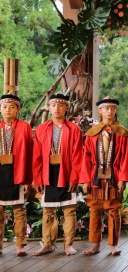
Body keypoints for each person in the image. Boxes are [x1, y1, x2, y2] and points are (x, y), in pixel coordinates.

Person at [80, 96, 128, 256]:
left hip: (114, 176)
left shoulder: (121, 133)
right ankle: (95, 245)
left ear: (116, 110)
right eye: (106, 108)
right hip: (95, 176)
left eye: (112, 108)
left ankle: (113, 245)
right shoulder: (92, 134)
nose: (109, 111)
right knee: (95, 210)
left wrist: (123, 179)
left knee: (113, 211)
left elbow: (125, 158)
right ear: (100, 110)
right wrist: (85, 180)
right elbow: (86, 158)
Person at [32, 93, 83, 256]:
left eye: (60, 105)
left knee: (69, 210)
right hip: (49, 172)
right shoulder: (41, 130)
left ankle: (68, 244)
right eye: (53, 105)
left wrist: (75, 177)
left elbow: (77, 156)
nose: (56, 109)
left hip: (66, 172)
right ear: (49, 107)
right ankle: (47, 243)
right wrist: (38, 178)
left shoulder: (74, 129)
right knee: (48, 211)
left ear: (67, 108)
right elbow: (37, 157)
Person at [0, 94, 33, 257]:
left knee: (19, 210)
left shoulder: (25, 127)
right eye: (5, 107)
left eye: (12, 107)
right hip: (0, 173)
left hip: (17, 171)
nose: (8, 110)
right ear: (0, 109)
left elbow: (29, 153)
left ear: (18, 109)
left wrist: (28, 179)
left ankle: (20, 244)